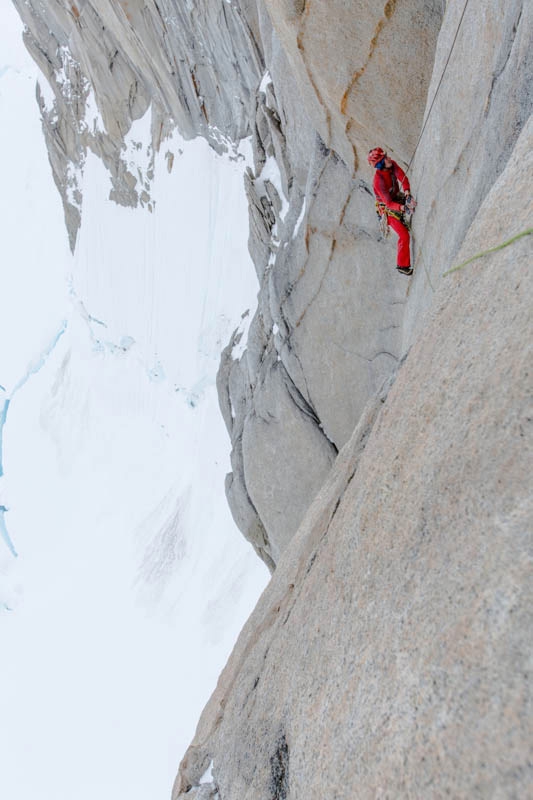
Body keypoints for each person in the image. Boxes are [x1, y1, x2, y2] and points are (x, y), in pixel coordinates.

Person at [368, 147, 417, 276]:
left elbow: (403, 177)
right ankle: (402, 265)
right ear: (380, 164)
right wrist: (403, 208)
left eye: (387, 156)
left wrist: (407, 194)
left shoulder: (391, 165)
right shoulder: (378, 181)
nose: (389, 159)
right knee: (404, 235)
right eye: (385, 158)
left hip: (396, 197)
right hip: (387, 210)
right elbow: (388, 204)